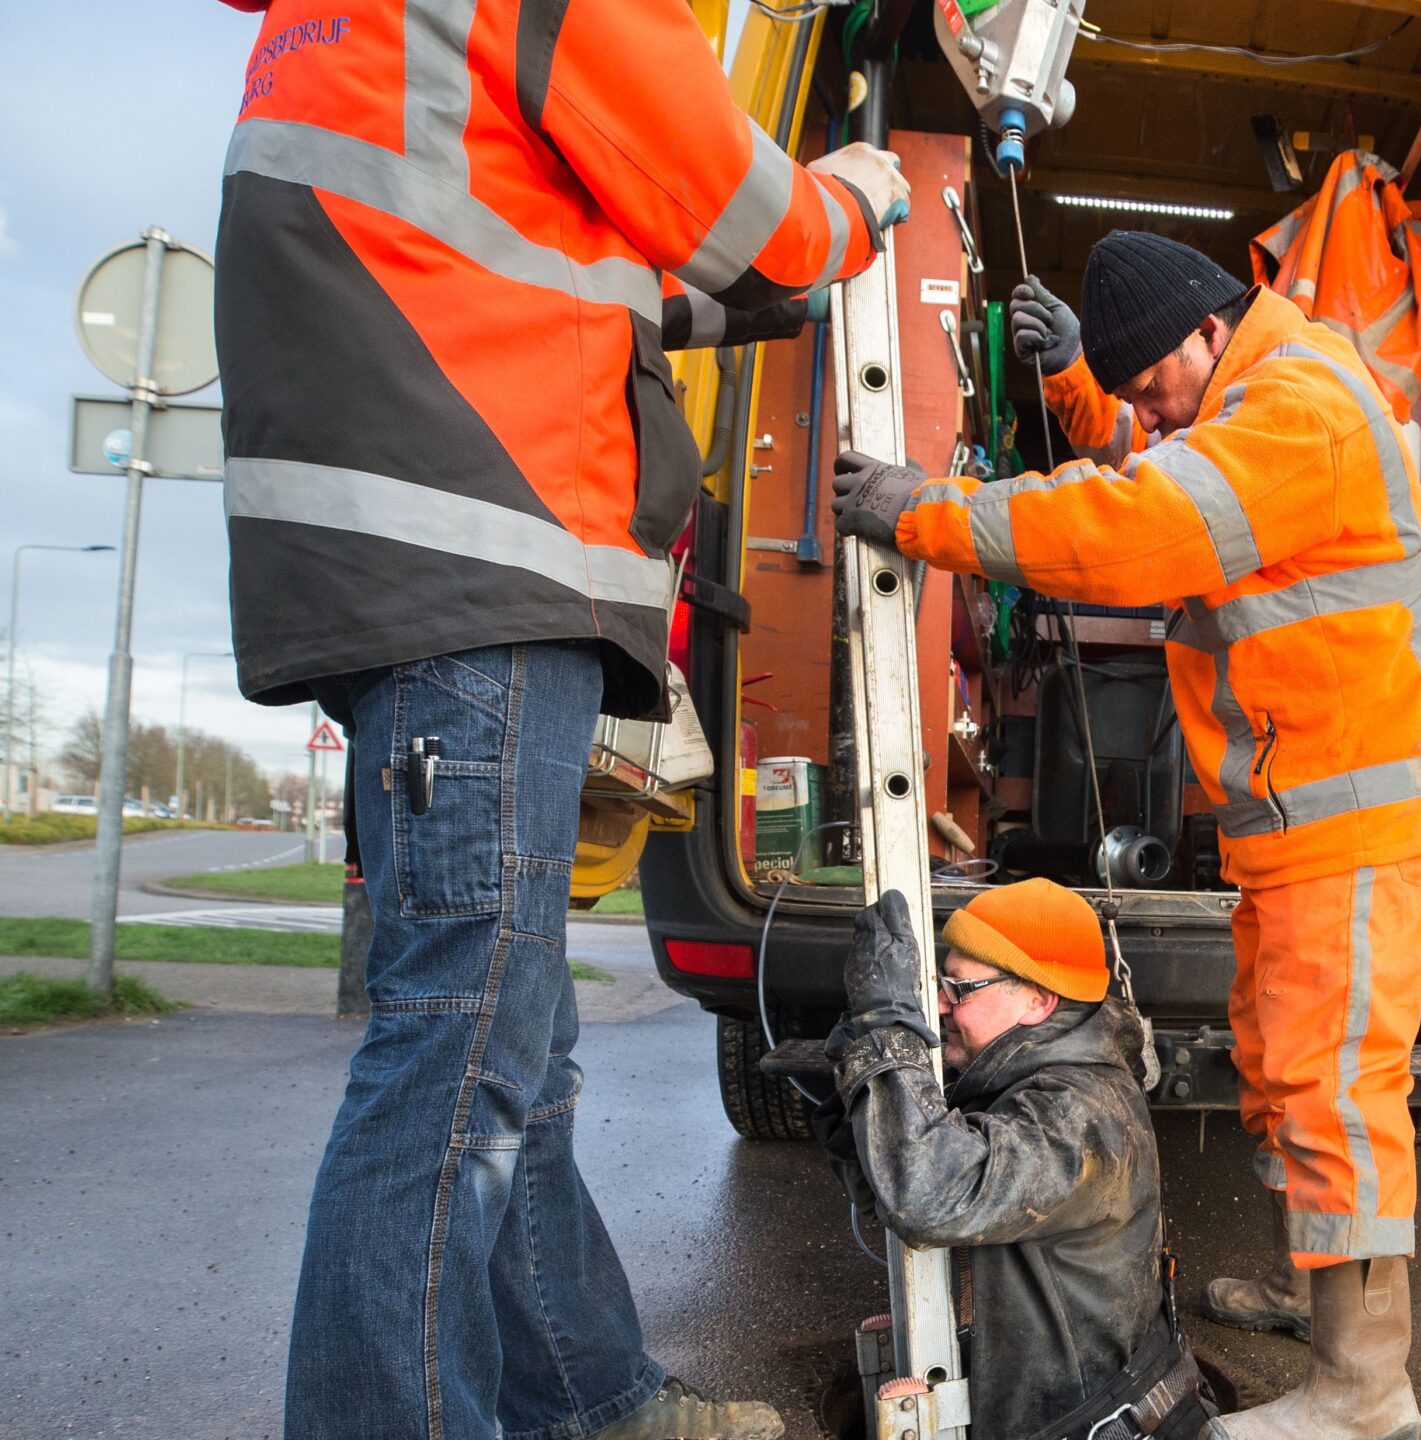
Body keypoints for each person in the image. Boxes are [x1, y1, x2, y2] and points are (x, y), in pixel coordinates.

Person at [213, 2, 910, 1436]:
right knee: (458, 1057)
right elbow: (763, 221)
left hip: (423, 569)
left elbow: (589, 278)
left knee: (512, 1051)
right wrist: (864, 194)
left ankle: (591, 1401)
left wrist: (743, 285)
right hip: (481, 567)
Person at [833, 230, 1421, 1440]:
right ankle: (1318, 1295)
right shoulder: (1258, 389)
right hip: (1301, 820)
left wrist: (935, 516)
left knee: (1333, 1090)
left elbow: (1141, 521)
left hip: (1349, 823)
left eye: (1150, 384)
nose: (1143, 411)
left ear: (1206, 332)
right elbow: (1156, 456)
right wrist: (1075, 385)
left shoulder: (1301, 405)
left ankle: (1365, 1392)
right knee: (1284, 1070)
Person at [812, 883, 1217, 1440]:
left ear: (1038, 1001)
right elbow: (887, 1188)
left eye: (962, 988)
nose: (942, 1005)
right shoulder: (1023, 1078)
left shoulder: (1079, 1115)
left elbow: (928, 1197)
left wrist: (887, 1028)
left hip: (1079, 1424)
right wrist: (856, 1058)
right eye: (941, 985)